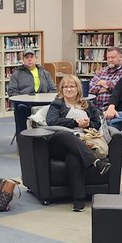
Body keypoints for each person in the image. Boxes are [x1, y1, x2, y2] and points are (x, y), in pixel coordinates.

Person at [44, 74, 113, 211]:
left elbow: (97, 122)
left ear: (78, 88)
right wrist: (75, 122)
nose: (69, 89)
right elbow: (51, 121)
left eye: (72, 86)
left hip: (80, 142)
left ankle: (79, 200)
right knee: (66, 134)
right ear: (61, 89)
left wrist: (87, 124)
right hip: (59, 142)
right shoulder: (57, 104)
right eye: (65, 87)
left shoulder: (87, 104)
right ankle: (96, 162)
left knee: (74, 157)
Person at [7, 50, 57, 134]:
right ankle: (23, 137)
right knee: (20, 108)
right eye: (27, 58)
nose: (29, 59)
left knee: (55, 108)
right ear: (23, 60)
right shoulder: (17, 73)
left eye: (32, 57)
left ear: (36, 59)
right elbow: (12, 91)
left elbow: (53, 89)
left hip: (43, 103)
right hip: (25, 103)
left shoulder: (44, 73)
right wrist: (22, 98)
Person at [88, 46, 122, 112]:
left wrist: (101, 83)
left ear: (121, 57)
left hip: (115, 109)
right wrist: (109, 88)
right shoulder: (102, 71)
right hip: (96, 108)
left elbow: (120, 86)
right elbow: (90, 87)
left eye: (113, 57)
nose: (110, 60)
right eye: (108, 58)